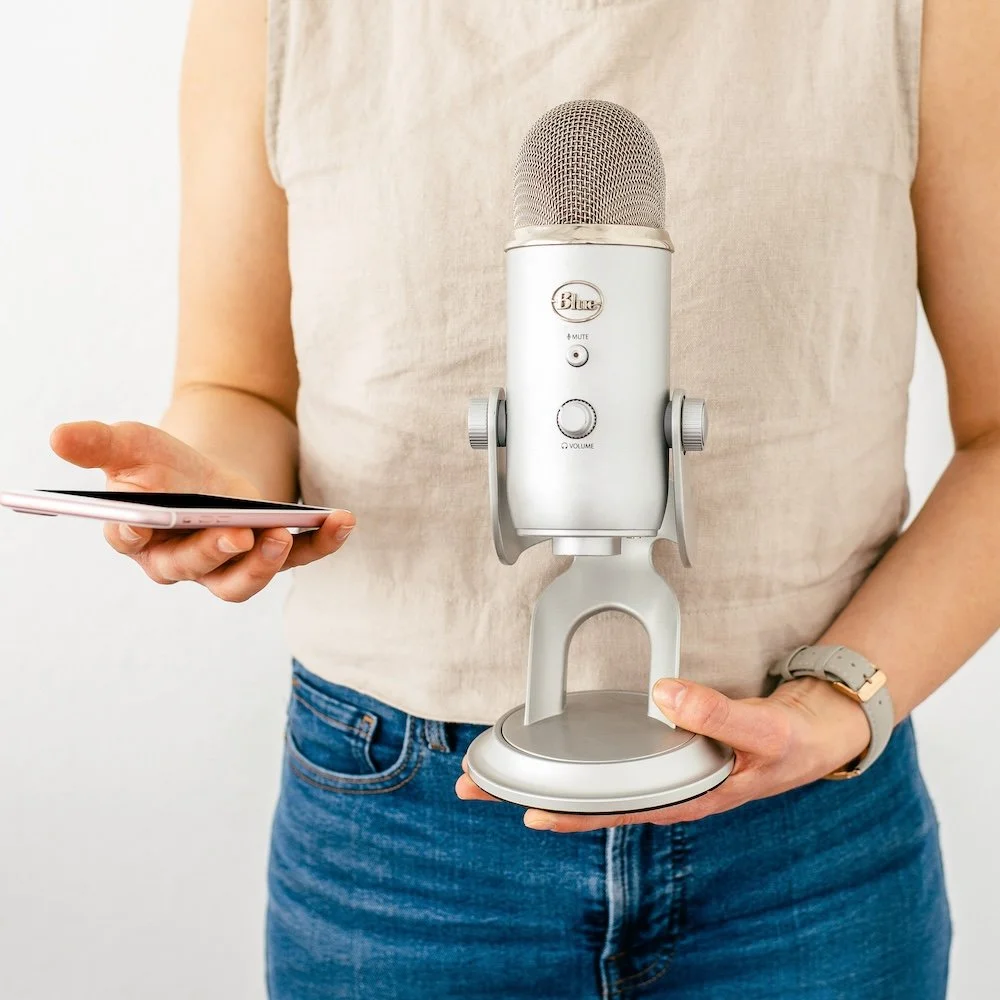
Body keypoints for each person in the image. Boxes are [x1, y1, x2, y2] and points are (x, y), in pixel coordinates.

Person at [48, 1, 999, 997]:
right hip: (399, 832)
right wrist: (218, 493)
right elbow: (236, 386)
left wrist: (835, 702)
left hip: (810, 828)